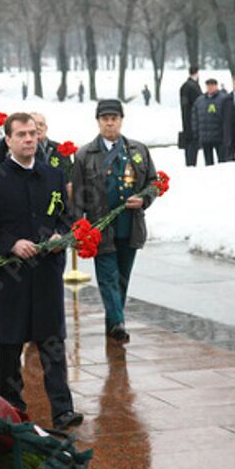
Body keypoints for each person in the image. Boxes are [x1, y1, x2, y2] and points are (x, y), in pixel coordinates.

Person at [0, 112, 83, 431]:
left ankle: (62, 408)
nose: (29, 139)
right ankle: (12, 407)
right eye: (21, 134)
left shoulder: (51, 175)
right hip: (12, 274)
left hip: (47, 271)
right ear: (7, 140)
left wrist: (59, 235)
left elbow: (66, 215)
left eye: (33, 133)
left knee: (52, 340)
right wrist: (12, 243)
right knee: (10, 342)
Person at [71, 100, 157, 342]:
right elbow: (78, 196)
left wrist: (144, 198)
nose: (110, 123)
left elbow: (153, 182)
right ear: (98, 121)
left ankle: (113, 322)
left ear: (121, 120)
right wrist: (79, 228)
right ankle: (119, 322)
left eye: (114, 118)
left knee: (122, 279)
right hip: (101, 228)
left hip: (130, 226)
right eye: (105, 118)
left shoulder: (137, 150)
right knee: (108, 278)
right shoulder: (85, 155)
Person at [191, 79, 227, 166]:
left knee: (222, 162)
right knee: (208, 163)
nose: (210, 88)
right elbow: (194, 117)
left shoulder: (223, 99)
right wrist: (196, 131)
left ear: (216, 86)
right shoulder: (199, 100)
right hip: (205, 137)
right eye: (208, 86)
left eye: (212, 86)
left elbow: (226, 118)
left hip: (219, 137)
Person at [180, 66, 202, 166]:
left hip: (187, 120)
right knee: (192, 145)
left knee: (190, 145)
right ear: (197, 73)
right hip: (192, 120)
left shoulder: (185, 86)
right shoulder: (193, 86)